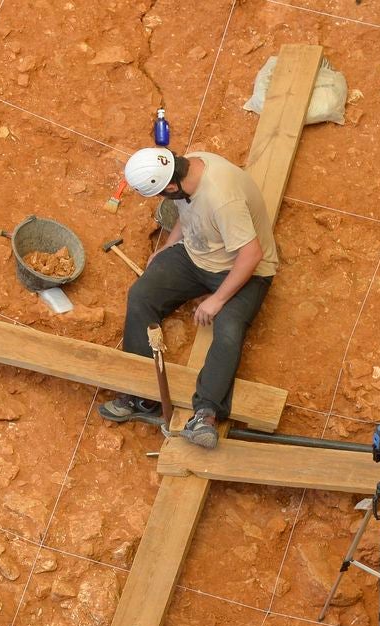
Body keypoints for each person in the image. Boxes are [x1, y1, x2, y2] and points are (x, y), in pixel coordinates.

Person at [98, 148, 279, 448]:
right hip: (198, 255)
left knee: (228, 329)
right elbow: (186, 209)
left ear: (170, 185)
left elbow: (252, 254)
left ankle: (205, 412)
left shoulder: (223, 198)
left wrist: (217, 300)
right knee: (141, 295)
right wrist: (169, 247)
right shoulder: (186, 168)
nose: (164, 199)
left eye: (162, 194)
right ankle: (142, 393)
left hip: (245, 270)